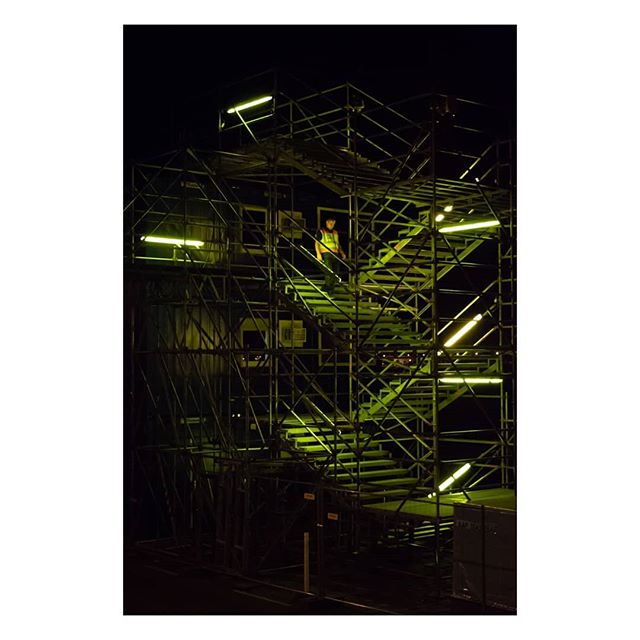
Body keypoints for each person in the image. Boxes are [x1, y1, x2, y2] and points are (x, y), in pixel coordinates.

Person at [315, 217, 346, 293]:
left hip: (335, 254)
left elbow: (338, 244)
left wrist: (342, 252)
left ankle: (329, 287)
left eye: (332, 222)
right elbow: (317, 243)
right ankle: (328, 287)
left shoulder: (335, 232)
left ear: (334, 222)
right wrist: (318, 254)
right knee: (329, 270)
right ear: (326, 222)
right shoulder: (321, 231)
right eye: (329, 222)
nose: (331, 223)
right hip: (326, 253)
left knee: (336, 272)